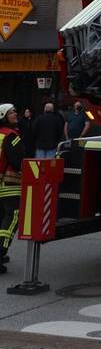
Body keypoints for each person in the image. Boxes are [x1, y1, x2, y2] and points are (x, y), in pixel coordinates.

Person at [0, 104, 25, 272]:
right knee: (13, 216)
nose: (16, 114)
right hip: (9, 183)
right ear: (4, 116)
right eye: (12, 112)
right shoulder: (11, 136)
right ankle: (0, 251)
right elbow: (18, 161)